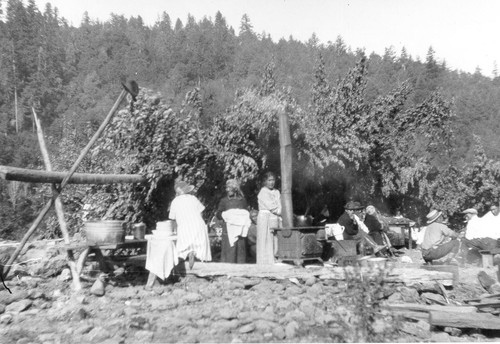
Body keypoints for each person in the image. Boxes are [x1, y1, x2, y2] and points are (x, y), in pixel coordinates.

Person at [169, 180, 212, 270]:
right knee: (200, 247)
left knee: (183, 247)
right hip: (198, 226)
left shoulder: (175, 202)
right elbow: (201, 214)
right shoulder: (193, 198)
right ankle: (200, 261)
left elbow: (172, 219)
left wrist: (174, 230)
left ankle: (186, 257)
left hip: (185, 227)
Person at [216, 179, 250, 264]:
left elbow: (246, 213)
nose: (227, 190)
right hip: (228, 230)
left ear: (235, 189)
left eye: (230, 187)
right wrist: (227, 215)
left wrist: (239, 215)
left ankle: (240, 271)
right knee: (229, 250)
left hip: (240, 231)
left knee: (240, 250)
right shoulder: (224, 201)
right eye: (227, 188)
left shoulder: (242, 201)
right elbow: (218, 214)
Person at [257, 172, 281, 265]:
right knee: (265, 239)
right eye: (269, 180)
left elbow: (279, 204)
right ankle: (264, 263)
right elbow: (271, 206)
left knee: (274, 238)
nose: (271, 182)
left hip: (274, 217)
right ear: (265, 181)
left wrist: (279, 211)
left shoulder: (276, 192)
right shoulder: (263, 192)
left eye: (273, 180)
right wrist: (279, 211)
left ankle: (274, 260)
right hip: (264, 218)